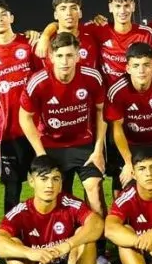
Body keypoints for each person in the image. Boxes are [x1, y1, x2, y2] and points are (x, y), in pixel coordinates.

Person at [19, 32, 107, 232]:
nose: (65, 61)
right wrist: (41, 153)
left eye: (70, 55)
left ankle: (100, 248)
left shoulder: (91, 77)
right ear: (51, 57)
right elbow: (24, 117)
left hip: (84, 145)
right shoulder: (38, 81)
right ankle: (62, 239)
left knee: (94, 190)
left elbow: (102, 111)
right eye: (59, 56)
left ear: (78, 56)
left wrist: (98, 150)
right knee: (59, 199)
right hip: (52, 148)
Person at [0, 0, 43, 215]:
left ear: (12, 18)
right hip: (7, 132)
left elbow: (43, 79)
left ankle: (48, 231)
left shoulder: (29, 44)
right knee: (12, 189)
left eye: (4, 13)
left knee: (45, 184)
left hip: (36, 129)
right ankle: (11, 236)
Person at [106, 42, 152, 192]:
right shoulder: (117, 91)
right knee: (125, 186)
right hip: (130, 144)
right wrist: (128, 163)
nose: (141, 70)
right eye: (136, 66)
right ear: (128, 68)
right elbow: (117, 128)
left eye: (146, 65)